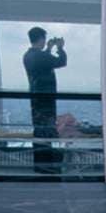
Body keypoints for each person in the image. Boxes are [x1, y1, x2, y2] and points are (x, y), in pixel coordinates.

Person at [23, 26, 67, 173]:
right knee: (47, 132)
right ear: (41, 39)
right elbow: (61, 61)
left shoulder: (28, 55)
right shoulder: (41, 56)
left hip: (35, 99)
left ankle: (40, 166)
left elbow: (44, 64)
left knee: (39, 132)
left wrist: (48, 49)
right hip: (46, 101)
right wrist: (60, 48)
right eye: (44, 39)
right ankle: (47, 167)